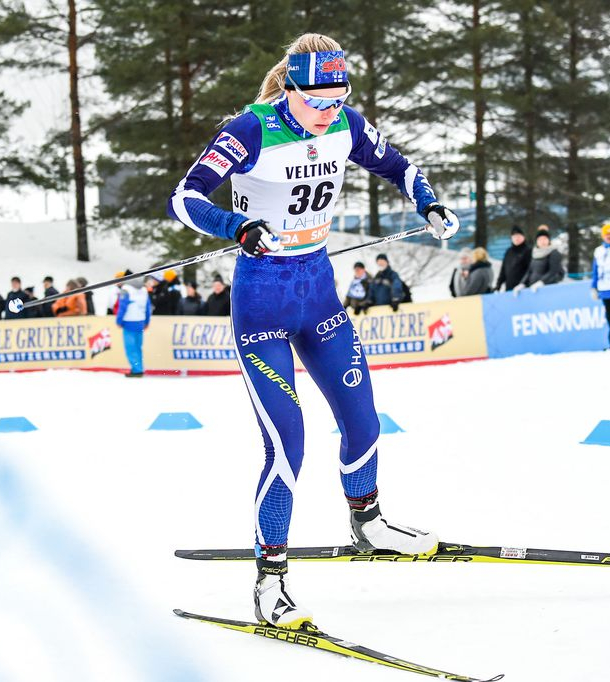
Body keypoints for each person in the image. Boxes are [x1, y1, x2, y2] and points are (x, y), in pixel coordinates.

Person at [166, 33, 459, 629]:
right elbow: (185, 197)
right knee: (288, 443)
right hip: (263, 308)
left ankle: (368, 521)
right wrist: (236, 224)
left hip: (319, 295)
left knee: (362, 417)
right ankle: (270, 581)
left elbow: (400, 166)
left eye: (339, 98)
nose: (330, 111)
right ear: (291, 89)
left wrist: (429, 204)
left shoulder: (345, 123)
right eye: (319, 100)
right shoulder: (250, 128)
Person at [115, 270, 151, 377]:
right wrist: (147, 321)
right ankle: (139, 367)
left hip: (129, 321)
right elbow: (147, 307)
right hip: (140, 321)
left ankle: (136, 369)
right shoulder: (144, 289)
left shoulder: (126, 290)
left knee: (130, 348)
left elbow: (122, 307)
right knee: (138, 347)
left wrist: (118, 321)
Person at [516, 227, 564, 293]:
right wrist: (522, 283)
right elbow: (530, 271)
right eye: (540, 239)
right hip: (534, 289)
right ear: (537, 241)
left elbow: (553, 271)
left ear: (549, 240)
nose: (542, 241)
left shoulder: (554, 253)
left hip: (548, 289)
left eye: (545, 239)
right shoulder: (535, 253)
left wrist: (542, 282)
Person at [494, 225, 531, 292]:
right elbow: (503, 270)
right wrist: (498, 286)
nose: (516, 238)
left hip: (524, 289)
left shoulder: (528, 250)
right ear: (511, 238)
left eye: (518, 236)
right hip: (509, 289)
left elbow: (530, 270)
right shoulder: (508, 252)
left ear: (523, 237)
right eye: (514, 236)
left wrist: (523, 284)